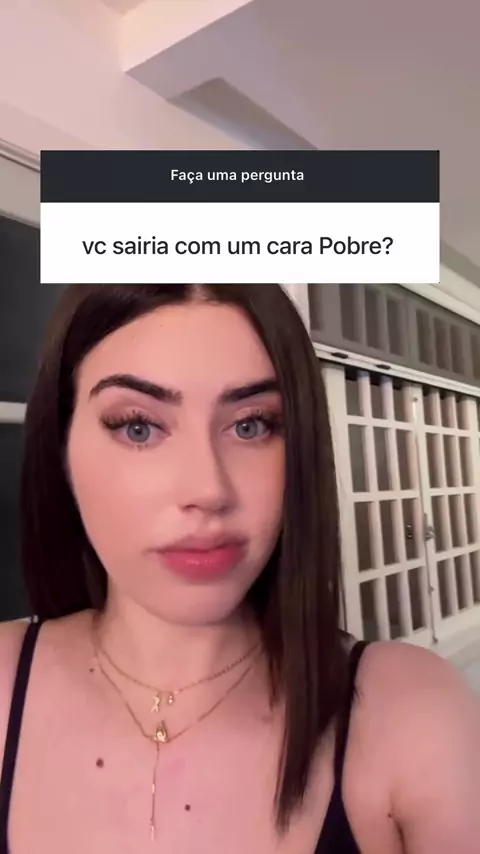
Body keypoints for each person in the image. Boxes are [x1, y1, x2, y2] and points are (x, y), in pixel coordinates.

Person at [0, 283, 478, 854]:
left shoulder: (411, 711)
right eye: (137, 426)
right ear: (61, 448)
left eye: (251, 425)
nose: (209, 489)